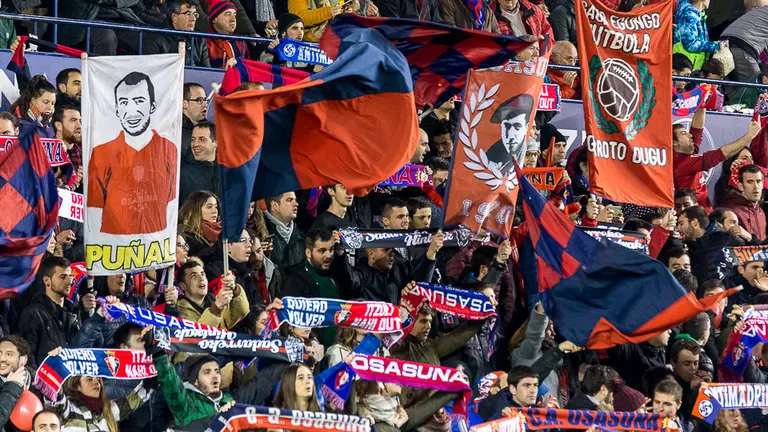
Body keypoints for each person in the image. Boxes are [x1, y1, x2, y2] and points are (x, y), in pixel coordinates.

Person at [86, 72, 178, 236]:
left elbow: (171, 203)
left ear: (152, 106)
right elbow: (94, 209)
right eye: (124, 102)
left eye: (139, 101)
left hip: (156, 248)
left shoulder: (169, 149)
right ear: (117, 109)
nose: (131, 111)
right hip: (113, 249)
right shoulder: (101, 152)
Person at [673, 107, 760, 210]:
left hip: (704, 215)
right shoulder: (681, 163)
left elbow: (697, 129)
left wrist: (704, 98)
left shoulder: (686, 154)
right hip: (694, 219)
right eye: (683, 133)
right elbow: (721, 154)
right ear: (674, 142)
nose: (690, 135)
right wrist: (750, 136)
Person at [45, 349, 150, 432]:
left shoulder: (108, 411)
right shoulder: (68, 409)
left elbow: (137, 397)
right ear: (77, 386)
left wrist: (154, 369)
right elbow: (53, 396)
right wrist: (54, 365)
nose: (96, 383)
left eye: (98, 380)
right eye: (89, 379)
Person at [19, 256, 80, 367]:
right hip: (46, 381)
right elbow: (28, 357)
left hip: (70, 381)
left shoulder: (72, 314)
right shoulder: (33, 314)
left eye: (70, 277)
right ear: (47, 281)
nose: (69, 281)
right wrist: (39, 383)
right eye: (63, 277)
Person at [678, 206, 744, 284]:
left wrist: (750, 237)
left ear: (694, 223)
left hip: (725, 292)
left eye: (681, 224)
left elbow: (753, 253)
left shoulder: (724, 238)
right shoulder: (685, 247)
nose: (678, 228)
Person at [177, 260, 249, 330]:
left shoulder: (212, 300)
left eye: (202, 274)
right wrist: (216, 308)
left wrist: (235, 289)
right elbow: (197, 335)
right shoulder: (178, 311)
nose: (201, 278)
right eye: (194, 276)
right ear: (183, 286)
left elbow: (241, 312)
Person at [145, 0, 211, 68]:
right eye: (188, 14)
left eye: (195, 14)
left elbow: (207, 72)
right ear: (175, 18)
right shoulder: (156, 40)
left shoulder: (200, 39)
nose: (193, 19)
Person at [486, 94, 535, 173]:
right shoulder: (488, 158)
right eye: (507, 126)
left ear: (526, 128)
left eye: (517, 127)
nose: (511, 135)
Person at [721, 5, 768, 83]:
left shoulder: (763, 9)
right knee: (753, 86)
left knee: (734, 87)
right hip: (742, 45)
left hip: (726, 41)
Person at [674, 0, 725, 70]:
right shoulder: (690, 15)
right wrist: (715, 46)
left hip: (691, 66)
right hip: (685, 68)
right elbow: (690, 44)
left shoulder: (698, 15)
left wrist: (717, 44)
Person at [0, 336, 36, 432]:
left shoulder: (37, 382)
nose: (2, 359)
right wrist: (13, 385)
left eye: (9, 354)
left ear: (23, 360)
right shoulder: (12, 386)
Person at [722, 164, 767, 241]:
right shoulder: (731, 212)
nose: (756, 186)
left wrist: (750, 237)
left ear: (762, 185)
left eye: (758, 181)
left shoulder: (761, 211)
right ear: (740, 186)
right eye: (750, 182)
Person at [179, 121, 219, 203]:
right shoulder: (181, 173)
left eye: (202, 139)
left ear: (215, 143)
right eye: (193, 140)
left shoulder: (227, 172)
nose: (195, 144)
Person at [265, 192, 305, 269]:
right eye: (289, 200)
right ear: (274, 206)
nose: (296, 204)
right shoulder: (262, 233)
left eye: (295, 200)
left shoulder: (301, 234)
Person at [206, 0, 251, 68]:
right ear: (214, 19)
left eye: (234, 15)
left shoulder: (241, 42)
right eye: (228, 14)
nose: (233, 19)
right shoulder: (206, 43)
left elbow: (248, 68)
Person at [669, 338, 706, 420]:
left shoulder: (701, 381)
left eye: (696, 363)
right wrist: (691, 392)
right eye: (686, 364)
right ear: (673, 363)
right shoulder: (667, 384)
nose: (693, 368)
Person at [179, 191, 222, 260]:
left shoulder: (224, 232)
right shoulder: (187, 235)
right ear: (196, 210)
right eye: (209, 207)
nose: (215, 211)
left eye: (216, 207)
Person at [182, 83, 208, 162]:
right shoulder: (175, 131)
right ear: (184, 104)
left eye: (205, 100)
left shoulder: (210, 129)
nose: (204, 104)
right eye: (199, 100)